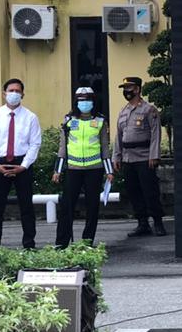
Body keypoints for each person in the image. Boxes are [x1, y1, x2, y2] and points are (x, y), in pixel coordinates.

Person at [0, 78, 41, 250]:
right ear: (4, 93)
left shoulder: (31, 117)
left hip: (22, 163)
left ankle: (29, 244)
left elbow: (35, 144)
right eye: (11, 90)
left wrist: (24, 165)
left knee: (26, 206)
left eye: (17, 91)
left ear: (23, 94)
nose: (14, 93)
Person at [53, 86, 112, 247]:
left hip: (94, 169)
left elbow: (105, 147)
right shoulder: (69, 120)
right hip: (73, 169)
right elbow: (63, 147)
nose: (84, 103)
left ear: (93, 101)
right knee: (67, 206)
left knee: (92, 207)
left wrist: (109, 171)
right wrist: (57, 170)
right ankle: (61, 243)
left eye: (88, 100)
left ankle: (87, 242)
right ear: (76, 102)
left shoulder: (100, 121)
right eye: (81, 100)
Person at [114, 76, 166, 237]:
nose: (126, 91)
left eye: (129, 88)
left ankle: (158, 222)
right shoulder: (123, 111)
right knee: (133, 192)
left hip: (144, 157)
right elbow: (119, 136)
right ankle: (142, 223)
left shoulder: (149, 109)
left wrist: (154, 155)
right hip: (128, 158)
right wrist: (116, 157)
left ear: (137, 89)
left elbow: (156, 133)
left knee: (150, 191)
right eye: (124, 88)